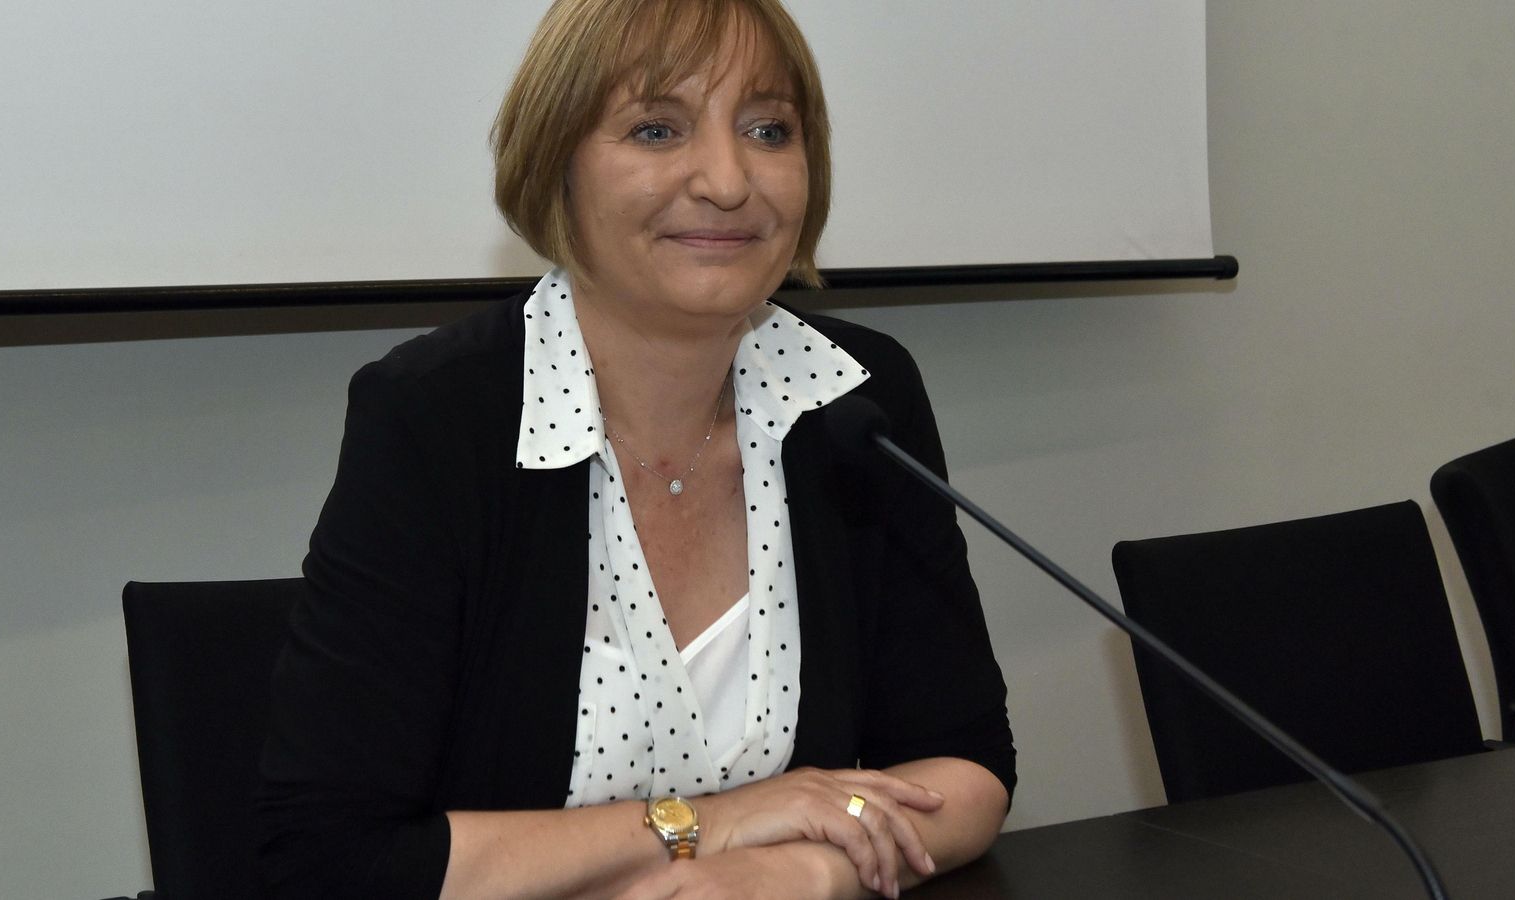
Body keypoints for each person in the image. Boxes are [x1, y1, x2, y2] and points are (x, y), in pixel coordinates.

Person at [255, 0, 1015, 897]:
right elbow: (330, 860)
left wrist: (800, 872)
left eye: (769, 129)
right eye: (657, 129)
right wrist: (713, 826)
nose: (729, 180)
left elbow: (963, 766)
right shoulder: (436, 418)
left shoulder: (850, 396)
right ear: (558, 168)